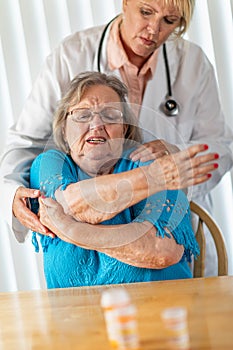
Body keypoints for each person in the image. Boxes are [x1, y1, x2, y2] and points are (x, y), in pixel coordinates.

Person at [0, 0, 232, 275]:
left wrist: (176, 155)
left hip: (166, 232)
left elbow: (219, 145)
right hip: (84, 260)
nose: (154, 30)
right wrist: (10, 194)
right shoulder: (71, 56)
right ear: (125, 3)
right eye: (146, 12)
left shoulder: (192, 63)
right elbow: (26, 142)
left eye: (169, 21)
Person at [29, 71, 217, 288]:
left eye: (110, 115)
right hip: (74, 318)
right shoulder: (50, 164)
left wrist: (73, 231)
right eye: (82, 115)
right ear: (63, 127)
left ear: (124, 128)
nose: (97, 124)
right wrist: (154, 178)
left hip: (161, 311)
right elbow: (69, 203)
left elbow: (162, 251)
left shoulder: (151, 158)